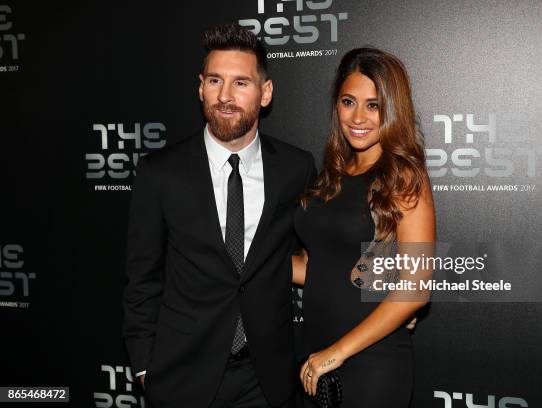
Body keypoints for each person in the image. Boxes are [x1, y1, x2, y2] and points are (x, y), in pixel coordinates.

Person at [123, 23, 316, 408]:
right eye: (215, 81)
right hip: (181, 376)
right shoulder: (160, 172)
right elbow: (141, 278)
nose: (225, 96)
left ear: (266, 93)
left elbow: (325, 252)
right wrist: (145, 366)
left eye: (241, 83)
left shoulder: (297, 168)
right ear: (200, 87)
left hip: (266, 379)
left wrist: (392, 300)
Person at [293, 47, 435, 407]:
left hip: (371, 364)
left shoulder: (404, 178)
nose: (358, 117)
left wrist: (337, 352)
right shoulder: (331, 176)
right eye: (348, 101)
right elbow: (317, 267)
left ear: (393, 111)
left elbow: (414, 290)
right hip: (316, 358)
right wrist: (241, 258)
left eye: (374, 105)